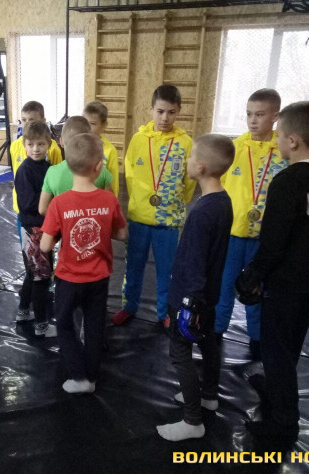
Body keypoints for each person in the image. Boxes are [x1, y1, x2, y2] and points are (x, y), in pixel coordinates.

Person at [237, 102, 309, 440]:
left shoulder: (286, 182)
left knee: (276, 349)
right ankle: (275, 386)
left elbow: (274, 241)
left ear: (294, 140)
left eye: (280, 135)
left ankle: (283, 421)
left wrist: (253, 275)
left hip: (285, 281)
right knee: (292, 341)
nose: (277, 141)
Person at [156, 134, 235, 441]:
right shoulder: (223, 201)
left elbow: (196, 260)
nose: (187, 161)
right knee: (209, 343)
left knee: (180, 352)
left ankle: (192, 420)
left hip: (191, 296)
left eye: (190, 157)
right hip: (209, 294)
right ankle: (209, 395)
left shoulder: (202, 212)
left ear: (200, 167)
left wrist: (190, 302)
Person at [41, 133, 127, 394]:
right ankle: (91, 376)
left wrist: (62, 233)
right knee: (94, 327)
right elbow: (122, 234)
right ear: (99, 166)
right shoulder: (109, 200)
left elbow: (45, 246)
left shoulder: (59, 203)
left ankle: (80, 376)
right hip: (99, 277)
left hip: (69, 277)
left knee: (64, 324)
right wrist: (102, 229)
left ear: (67, 164)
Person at [112, 85, 195, 326]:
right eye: (160, 111)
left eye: (171, 112)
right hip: (139, 217)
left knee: (167, 270)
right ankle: (129, 306)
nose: (165, 118)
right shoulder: (139, 139)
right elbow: (129, 174)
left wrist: (174, 203)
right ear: (151, 109)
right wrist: (140, 200)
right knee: (133, 267)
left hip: (169, 220)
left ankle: (165, 313)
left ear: (179, 111)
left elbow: (189, 181)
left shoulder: (185, 143)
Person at [214, 89, 287, 360]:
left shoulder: (283, 151)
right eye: (249, 114)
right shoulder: (235, 147)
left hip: (263, 238)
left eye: (260, 115)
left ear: (275, 116)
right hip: (233, 234)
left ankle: (256, 336)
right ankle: (217, 329)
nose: (252, 120)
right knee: (224, 286)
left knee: (257, 288)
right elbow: (220, 185)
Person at [14, 121, 57, 336]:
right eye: (30, 144)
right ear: (24, 145)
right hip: (33, 230)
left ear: (49, 144)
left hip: (44, 228)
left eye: (40, 144)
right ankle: (41, 325)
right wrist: (52, 201)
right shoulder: (24, 171)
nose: (35, 149)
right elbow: (28, 203)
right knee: (41, 277)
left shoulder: (48, 168)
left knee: (34, 275)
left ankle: (23, 312)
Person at [38, 116, 113, 215]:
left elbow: (42, 209)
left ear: (61, 141)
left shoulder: (52, 172)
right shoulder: (101, 171)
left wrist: (64, 217)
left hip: (63, 224)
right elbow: (110, 205)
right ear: (89, 142)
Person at [10, 101, 62, 241]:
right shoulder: (17, 151)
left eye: (31, 120)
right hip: (28, 216)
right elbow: (26, 198)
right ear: (25, 145)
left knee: (46, 250)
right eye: (24, 120)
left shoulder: (51, 156)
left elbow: (57, 182)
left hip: (46, 215)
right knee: (32, 250)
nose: (35, 149)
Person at [83, 101, 119, 196]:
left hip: (99, 200)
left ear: (104, 125)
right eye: (85, 122)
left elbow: (113, 183)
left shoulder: (110, 150)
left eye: (93, 123)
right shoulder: (76, 145)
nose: (88, 127)